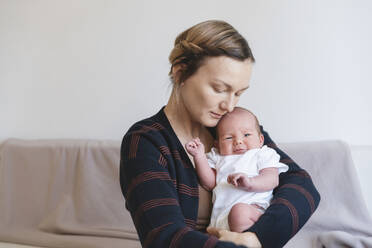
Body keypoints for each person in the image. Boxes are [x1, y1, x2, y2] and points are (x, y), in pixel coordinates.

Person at [120, 20, 320, 248]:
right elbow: (165, 237)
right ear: (180, 73)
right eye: (220, 89)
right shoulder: (145, 141)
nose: (229, 106)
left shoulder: (234, 130)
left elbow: (302, 185)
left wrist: (255, 238)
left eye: (238, 93)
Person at [185, 107, 289, 233]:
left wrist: (250, 182)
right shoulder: (218, 157)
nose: (238, 141)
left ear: (260, 140)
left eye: (246, 135)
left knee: (239, 213)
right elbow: (209, 183)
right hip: (220, 221)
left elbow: (272, 180)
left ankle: (252, 239)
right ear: (217, 144)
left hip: (251, 212)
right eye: (229, 138)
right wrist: (199, 156)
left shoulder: (262, 154)